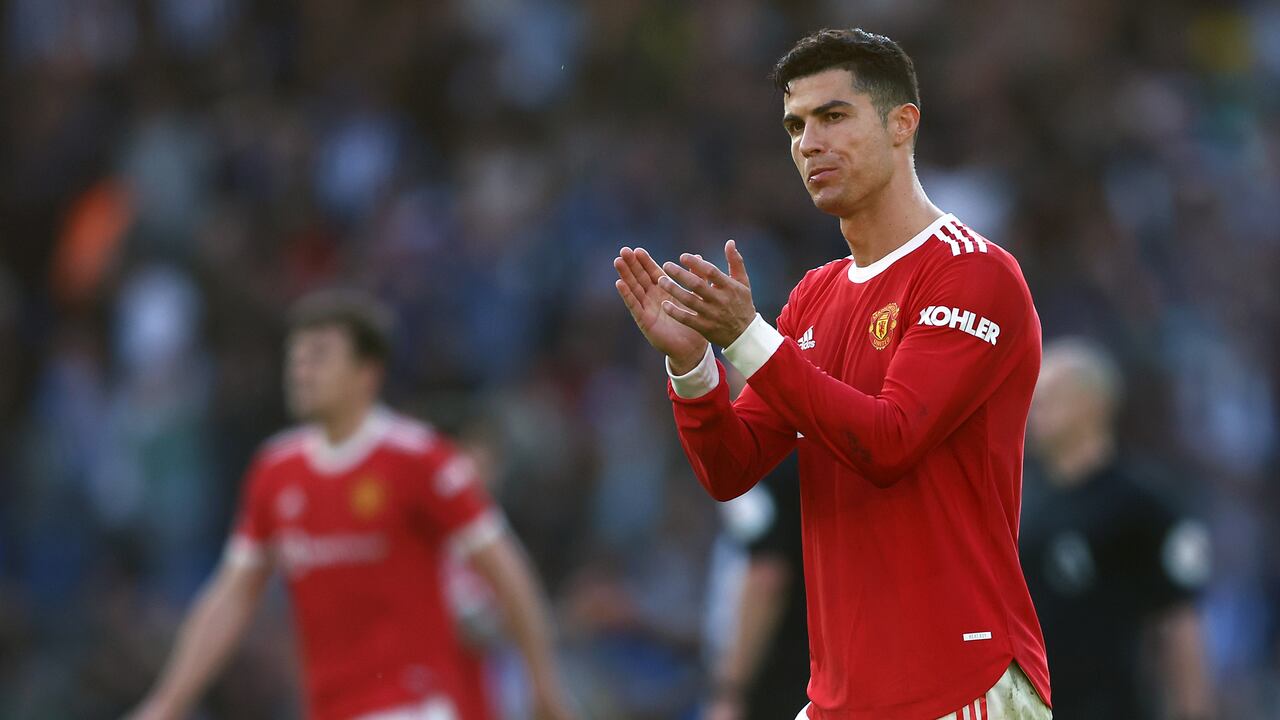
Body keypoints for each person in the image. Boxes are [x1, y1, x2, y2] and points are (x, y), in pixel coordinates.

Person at [614, 28, 1052, 719]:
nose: (809, 143)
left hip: (961, 682)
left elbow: (890, 441)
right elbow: (730, 468)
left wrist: (748, 337)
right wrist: (692, 363)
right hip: (841, 698)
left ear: (902, 123)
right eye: (795, 126)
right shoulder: (814, 296)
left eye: (833, 116)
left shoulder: (973, 273)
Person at [128, 290, 574, 720]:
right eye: (296, 358)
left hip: (412, 704)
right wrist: (168, 703)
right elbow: (231, 595)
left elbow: (506, 569)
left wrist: (543, 681)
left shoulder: (416, 459)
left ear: (367, 373)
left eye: (319, 356)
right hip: (329, 708)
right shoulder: (275, 470)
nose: (302, 371)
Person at [1022, 338, 1213, 720]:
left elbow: (1178, 621)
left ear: (1092, 406)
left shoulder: (1143, 505)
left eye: (1049, 398)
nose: (1034, 410)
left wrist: (1191, 709)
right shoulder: (1020, 498)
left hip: (1111, 706)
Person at [702, 452, 809, 720]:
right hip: (812, 668)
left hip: (775, 675)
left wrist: (731, 690)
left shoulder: (763, 462)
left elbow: (767, 578)